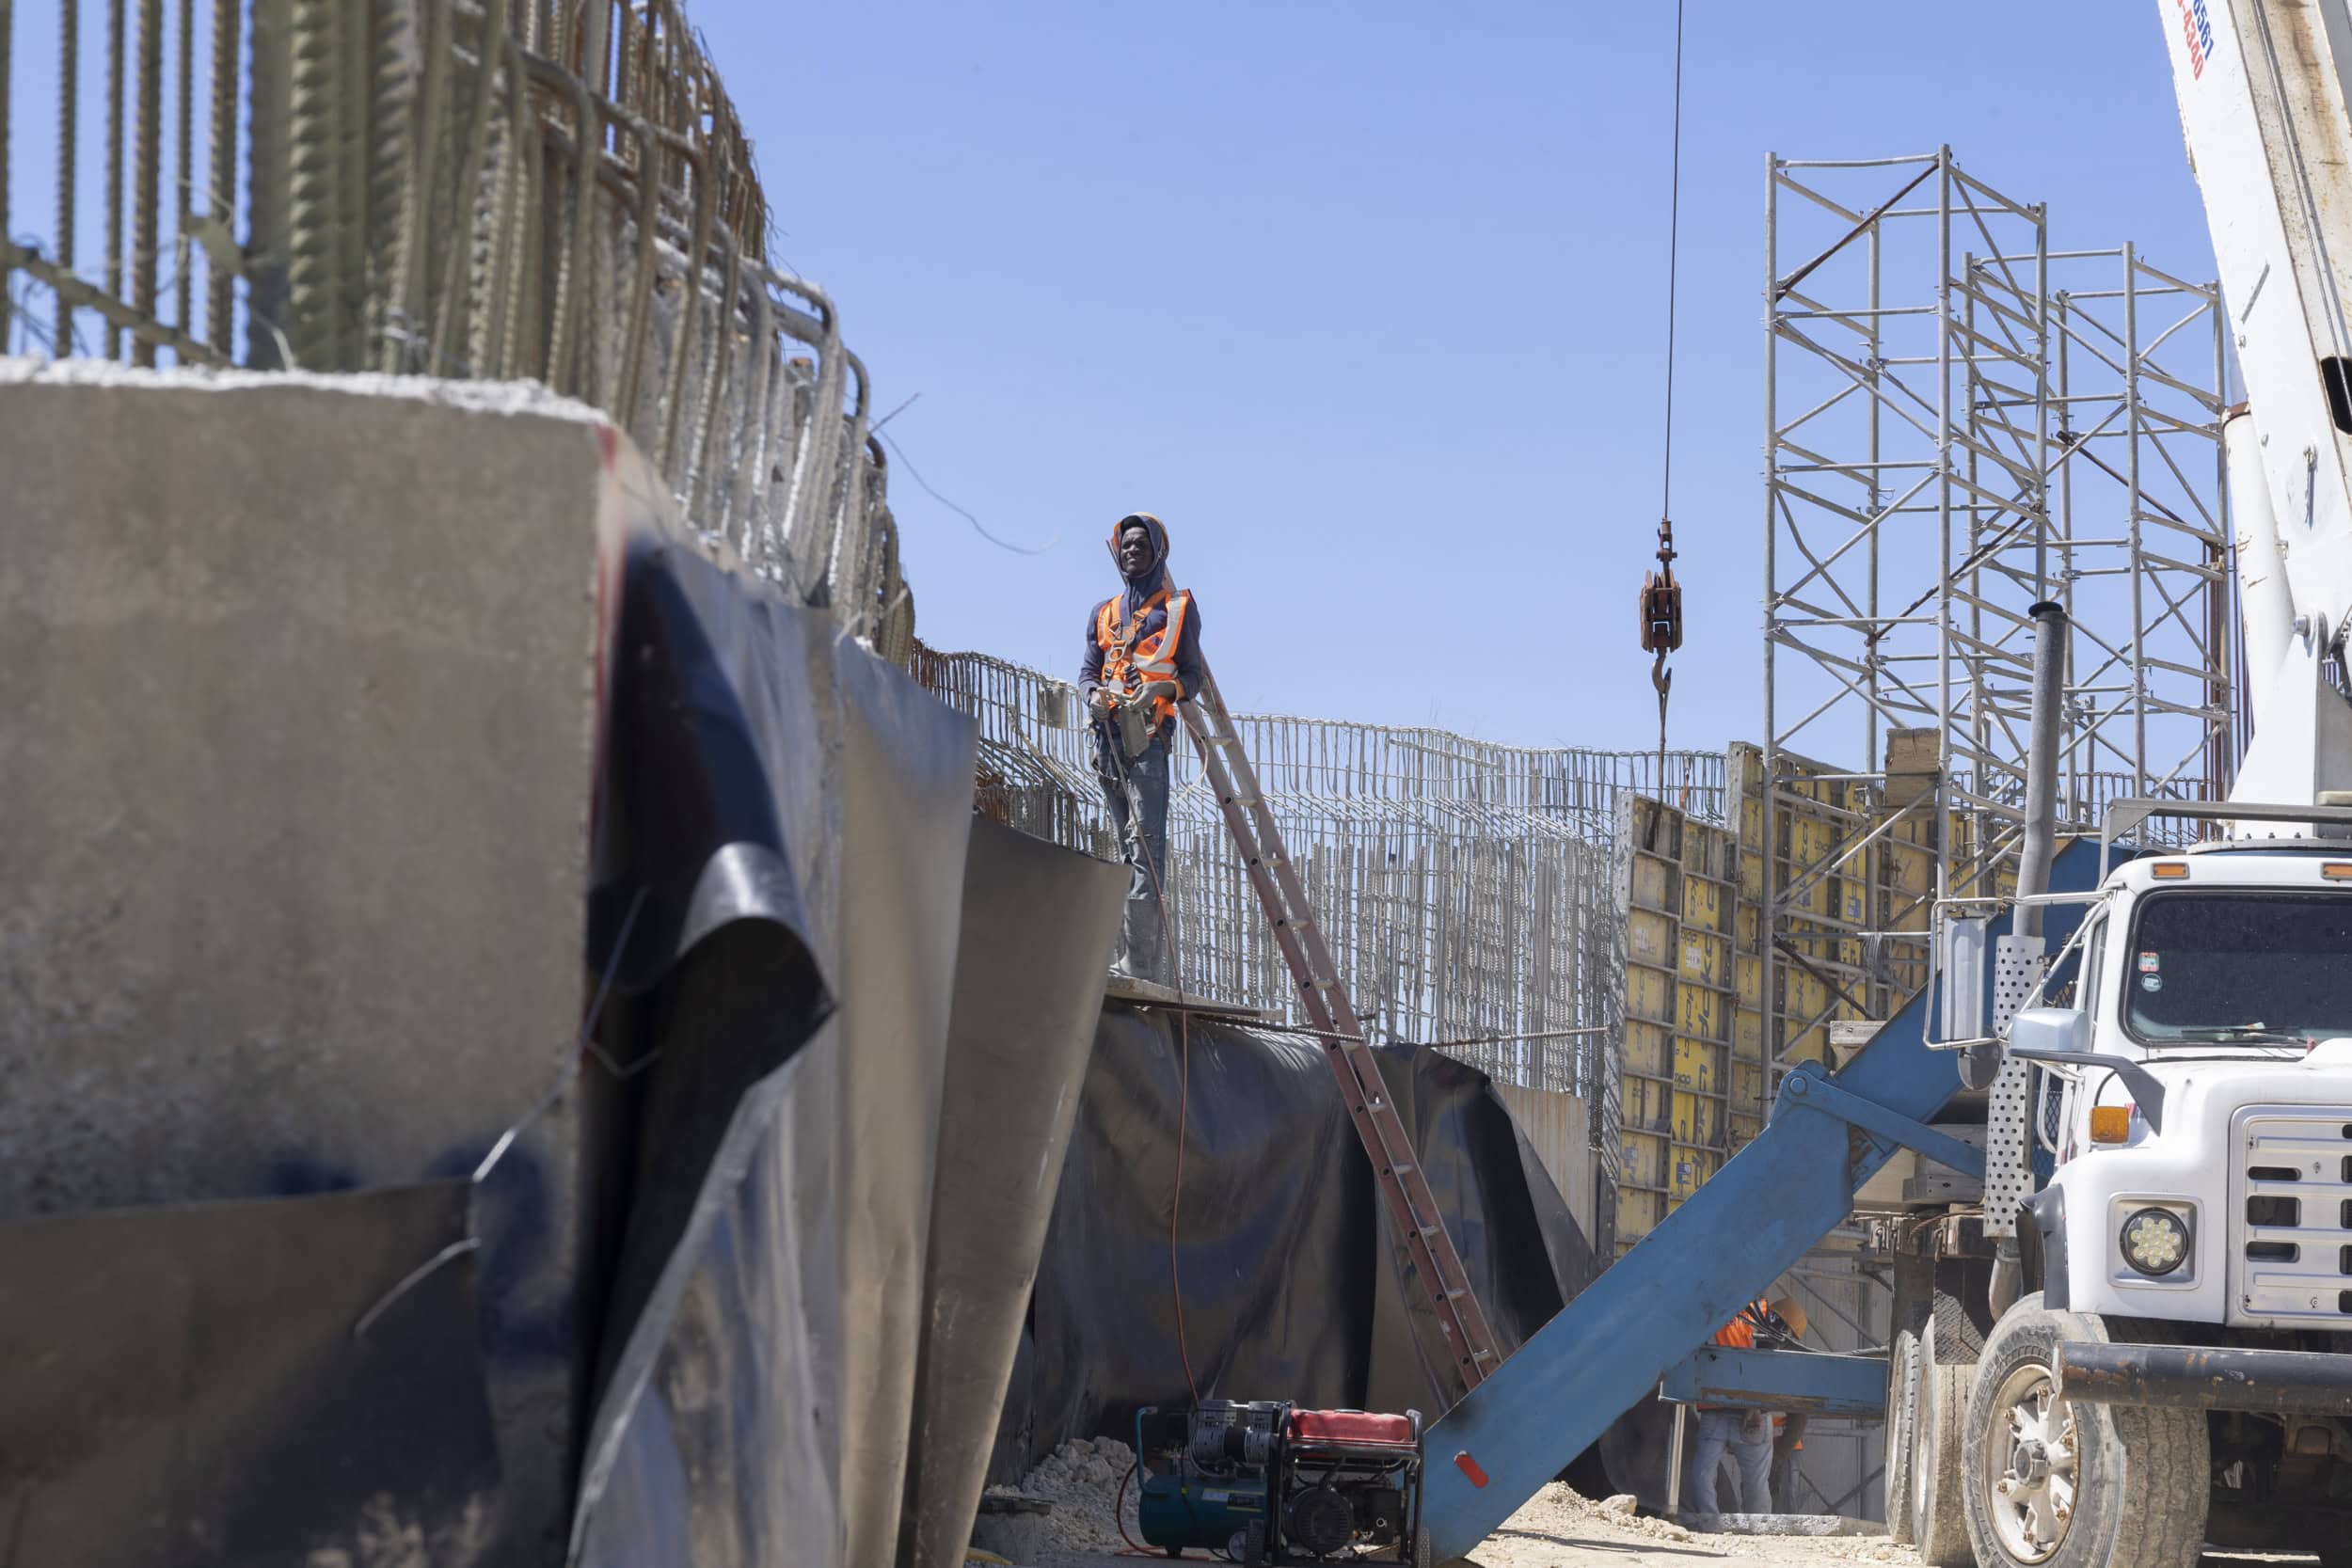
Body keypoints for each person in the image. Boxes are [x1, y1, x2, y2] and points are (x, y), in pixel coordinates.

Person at [1078, 512, 1205, 984]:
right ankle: (1133, 956)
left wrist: (1162, 692)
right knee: (1125, 843)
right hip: (1106, 736)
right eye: (1126, 545)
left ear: (1158, 551)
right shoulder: (1103, 612)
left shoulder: (1178, 608)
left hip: (1149, 736)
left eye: (1141, 545)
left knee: (1147, 843)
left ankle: (1144, 964)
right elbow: (1088, 670)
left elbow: (1190, 675)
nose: (1133, 551)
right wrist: (1092, 695)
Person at [1690, 1296, 1809, 1517]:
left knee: (1703, 1474)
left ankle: (1709, 1524)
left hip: (1717, 1408)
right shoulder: (1764, 1313)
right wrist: (1754, 1405)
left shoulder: (1709, 1306)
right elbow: (1764, 1359)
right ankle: (1758, 1529)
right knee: (1757, 1483)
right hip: (1753, 1416)